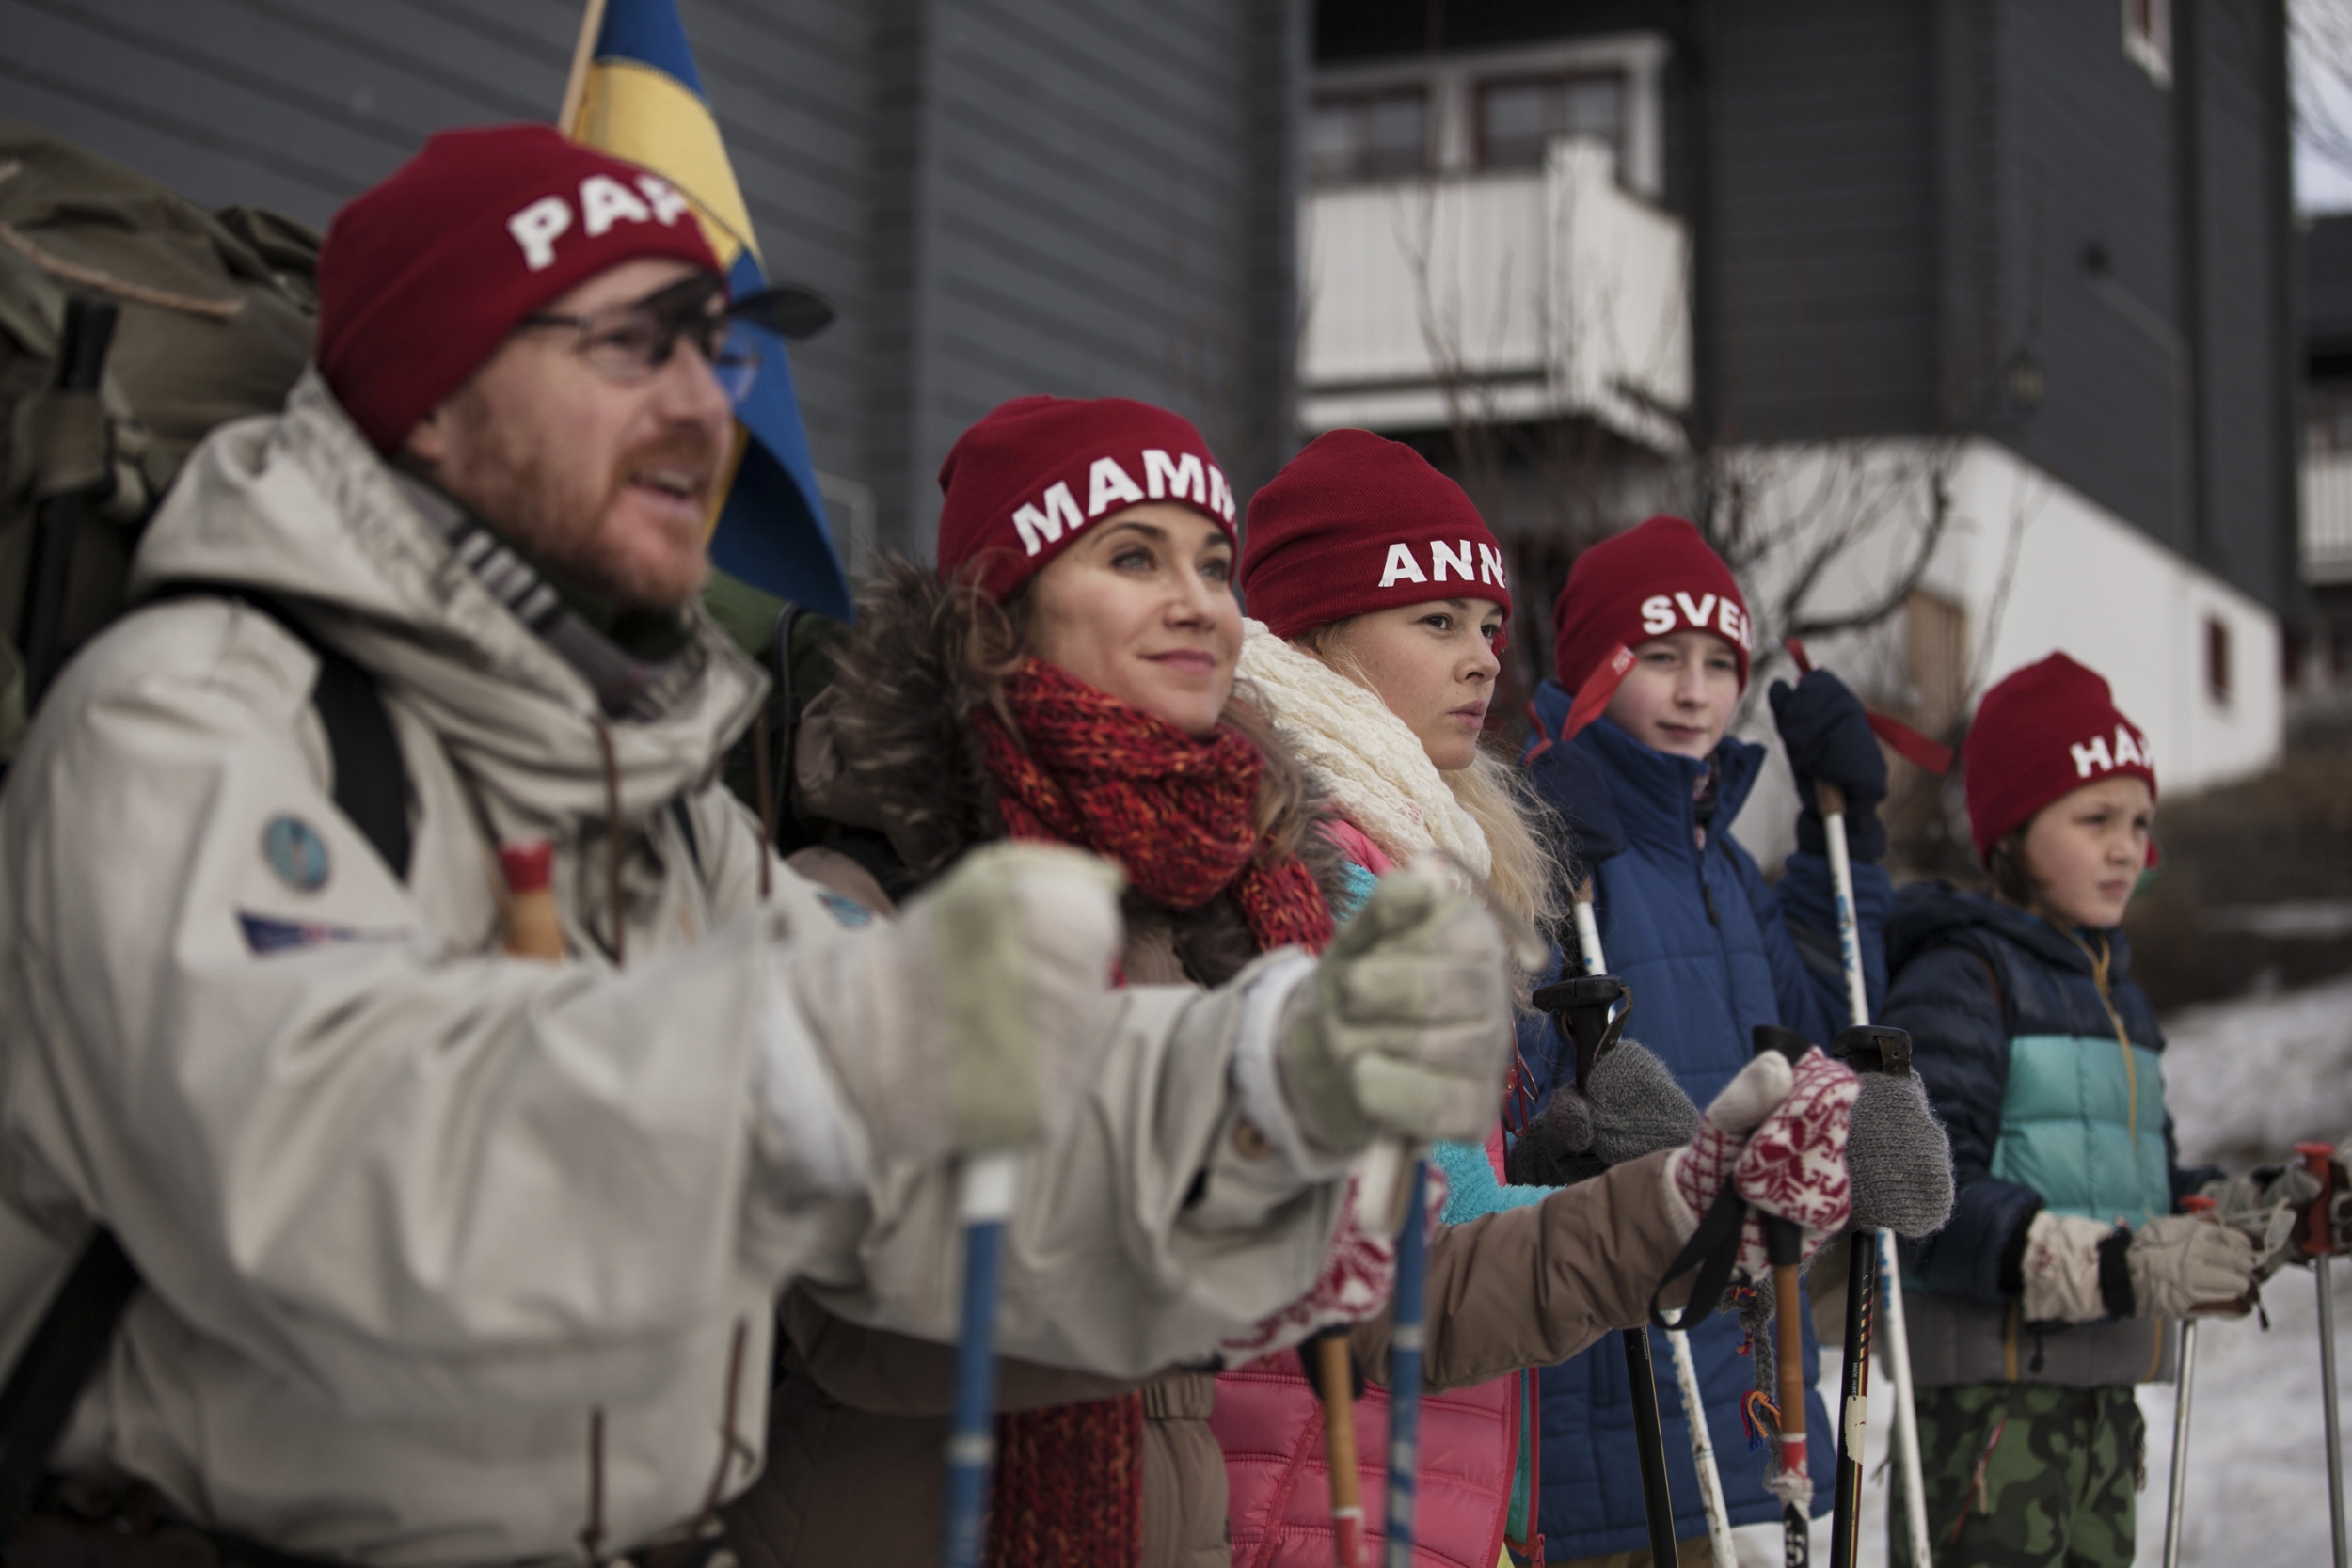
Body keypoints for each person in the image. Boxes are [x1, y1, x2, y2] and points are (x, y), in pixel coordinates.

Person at [0, 130, 1512, 1568]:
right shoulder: (206, 709)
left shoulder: (650, 794)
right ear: (434, 395)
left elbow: (931, 1200)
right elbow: (318, 1172)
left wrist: (1253, 1098)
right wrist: (816, 1050)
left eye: (712, 351)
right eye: (626, 345)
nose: (701, 404)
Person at [741, 400, 1846, 1568]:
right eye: (1132, 554)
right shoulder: (868, 892)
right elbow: (870, 1310)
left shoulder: (1220, 908)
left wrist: (1686, 1201)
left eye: (1215, 563)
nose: (1197, 599)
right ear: (995, 609)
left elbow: (1395, 1289)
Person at [1213, 429, 1682, 1568]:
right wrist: (1689, 1198)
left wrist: (1559, 1174)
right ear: (1317, 637)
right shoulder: (1316, 869)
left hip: (1401, 1482)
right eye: (1434, 622)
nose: (1481, 658)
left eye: (1485, 625)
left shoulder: (1414, 851)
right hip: (1307, 1493)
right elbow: (1439, 1237)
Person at [1518, 515, 1896, 1563]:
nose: (1694, 694)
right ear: (1592, 669)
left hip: (1743, 1356)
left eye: (1720, 663)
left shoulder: (1725, 867)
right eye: (1657, 658)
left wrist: (1846, 845)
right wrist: (1534, 866)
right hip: (1609, 1374)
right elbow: (1519, 1072)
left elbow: (1827, 1047)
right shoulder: (1553, 836)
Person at [1884, 653, 2265, 1568]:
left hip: (2103, 1407)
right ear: (2011, 830)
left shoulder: (2115, 995)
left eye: (2138, 821)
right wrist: (2124, 1264)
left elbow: (2135, 1180)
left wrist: (2241, 1210)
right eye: (2093, 818)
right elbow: (1923, 1197)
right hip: (1983, 1414)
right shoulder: (1961, 976)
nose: (2126, 845)